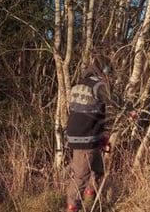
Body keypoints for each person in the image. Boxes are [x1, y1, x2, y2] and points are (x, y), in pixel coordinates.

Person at [64, 55, 112, 212]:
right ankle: (72, 207)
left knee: (98, 170)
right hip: (86, 138)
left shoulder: (80, 84)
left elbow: (92, 112)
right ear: (104, 70)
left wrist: (102, 136)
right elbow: (113, 107)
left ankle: (90, 204)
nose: (109, 74)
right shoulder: (100, 85)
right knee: (81, 176)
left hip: (83, 135)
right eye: (109, 71)